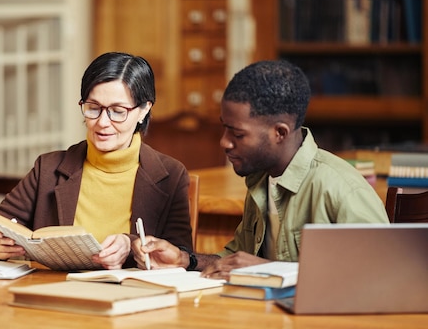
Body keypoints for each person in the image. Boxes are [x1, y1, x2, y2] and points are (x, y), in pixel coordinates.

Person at [133, 60, 389, 279]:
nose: (224, 142)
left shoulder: (341, 189)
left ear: (280, 132)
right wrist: (185, 260)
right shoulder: (261, 179)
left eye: (237, 134)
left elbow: (379, 275)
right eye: (224, 128)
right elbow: (235, 261)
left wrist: (272, 270)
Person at [0, 51, 192, 269]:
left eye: (117, 111)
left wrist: (131, 245)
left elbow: (181, 255)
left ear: (143, 110)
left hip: (133, 299)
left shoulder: (170, 175)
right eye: (93, 108)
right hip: (54, 296)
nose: (102, 122)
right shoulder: (49, 169)